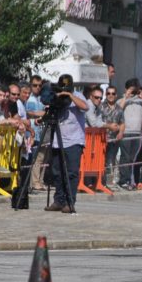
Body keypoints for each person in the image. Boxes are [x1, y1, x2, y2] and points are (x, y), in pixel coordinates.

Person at [45, 74, 88, 213]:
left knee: (71, 173)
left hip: (74, 141)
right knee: (57, 173)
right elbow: (48, 109)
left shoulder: (78, 95)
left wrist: (70, 95)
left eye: (67, 88)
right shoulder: (57, 96)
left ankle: (70, 202)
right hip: (58, 140)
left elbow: (85, 107)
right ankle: (58, 201)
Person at [118, 77, 142, 189]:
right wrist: (126, 96)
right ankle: (123, 180)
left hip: (137, 132)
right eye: (131, 89)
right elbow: (118, 109)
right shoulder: (121, 100)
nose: (134, 92)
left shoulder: (140, 101)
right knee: (125, 157)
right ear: (126, 89)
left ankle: (129, 180)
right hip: (126, 132)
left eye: (135, 90)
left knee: (131, 158)